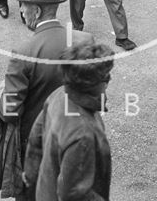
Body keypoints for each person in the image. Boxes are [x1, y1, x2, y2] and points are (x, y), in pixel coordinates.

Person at [0, 0, 93, 200]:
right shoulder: (84, 40)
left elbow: (10, 112)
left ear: (37, 11)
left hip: (38, 150)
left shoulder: (23, 53)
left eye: (23, 6)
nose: (21, 11)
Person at [24, 42, 114, 201]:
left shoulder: (58, 95)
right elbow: (73, 195)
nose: (109, 79)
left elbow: (35, 139)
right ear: (90, 85)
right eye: (105, 77)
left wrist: (30, 175)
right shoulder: (82, 134)